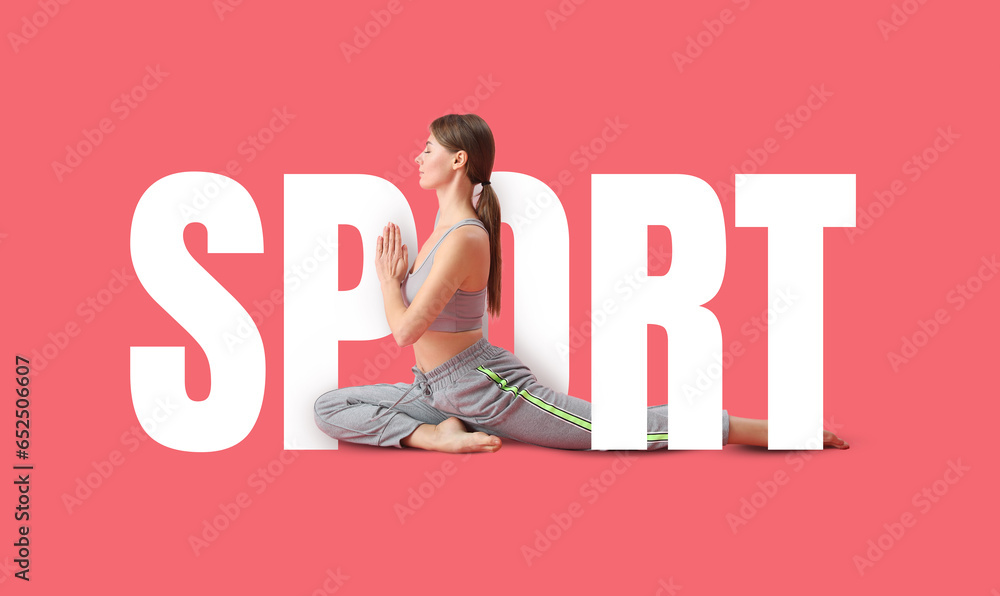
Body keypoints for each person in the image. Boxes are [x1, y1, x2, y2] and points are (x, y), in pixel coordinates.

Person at [314, 113, 850, 454]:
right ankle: (434, 436)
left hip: (482, 387)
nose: (418, 157)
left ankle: (760, 429)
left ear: (458, 159)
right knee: (329, 408)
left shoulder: (464, 238)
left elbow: (406, 331)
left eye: (428, 148)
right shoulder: (438, 233)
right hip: (435, 391)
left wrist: (388, 282)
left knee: (605, 430)